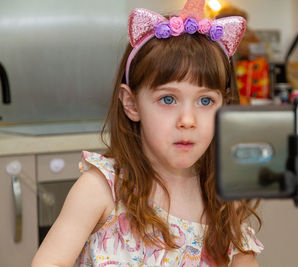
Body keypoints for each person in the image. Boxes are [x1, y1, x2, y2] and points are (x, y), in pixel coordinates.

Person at [32, 0, 263, 266]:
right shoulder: (101, 190)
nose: (188, 121)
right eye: (168, 99)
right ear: (131, 103)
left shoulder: (223, 201)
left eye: (205, 101)